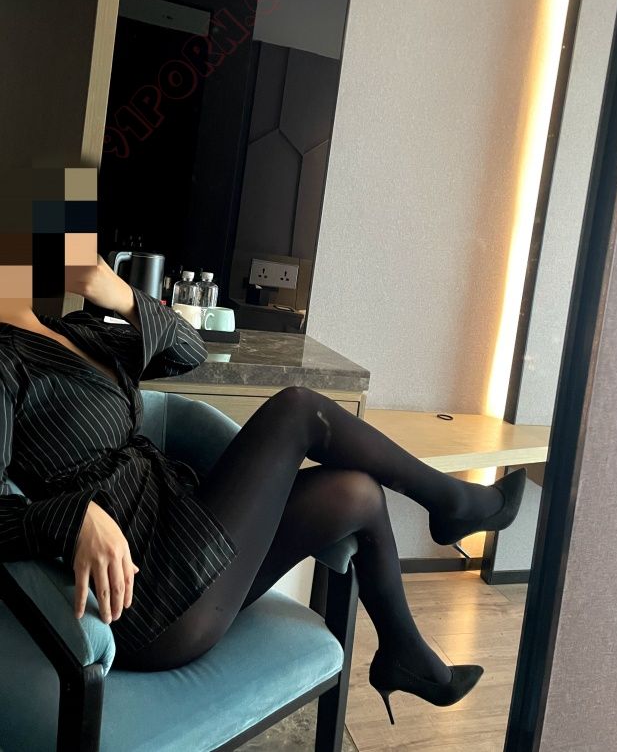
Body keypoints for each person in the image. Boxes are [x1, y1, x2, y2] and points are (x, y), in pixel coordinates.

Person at [0, 250, 526, 724]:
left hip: (183, 530)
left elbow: (190, 350)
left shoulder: (74, 331)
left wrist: (114, 291)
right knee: (298, 409)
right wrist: (75, 519)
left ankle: (403, 654)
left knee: (357, 493)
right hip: (150, 594)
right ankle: (455, 503)